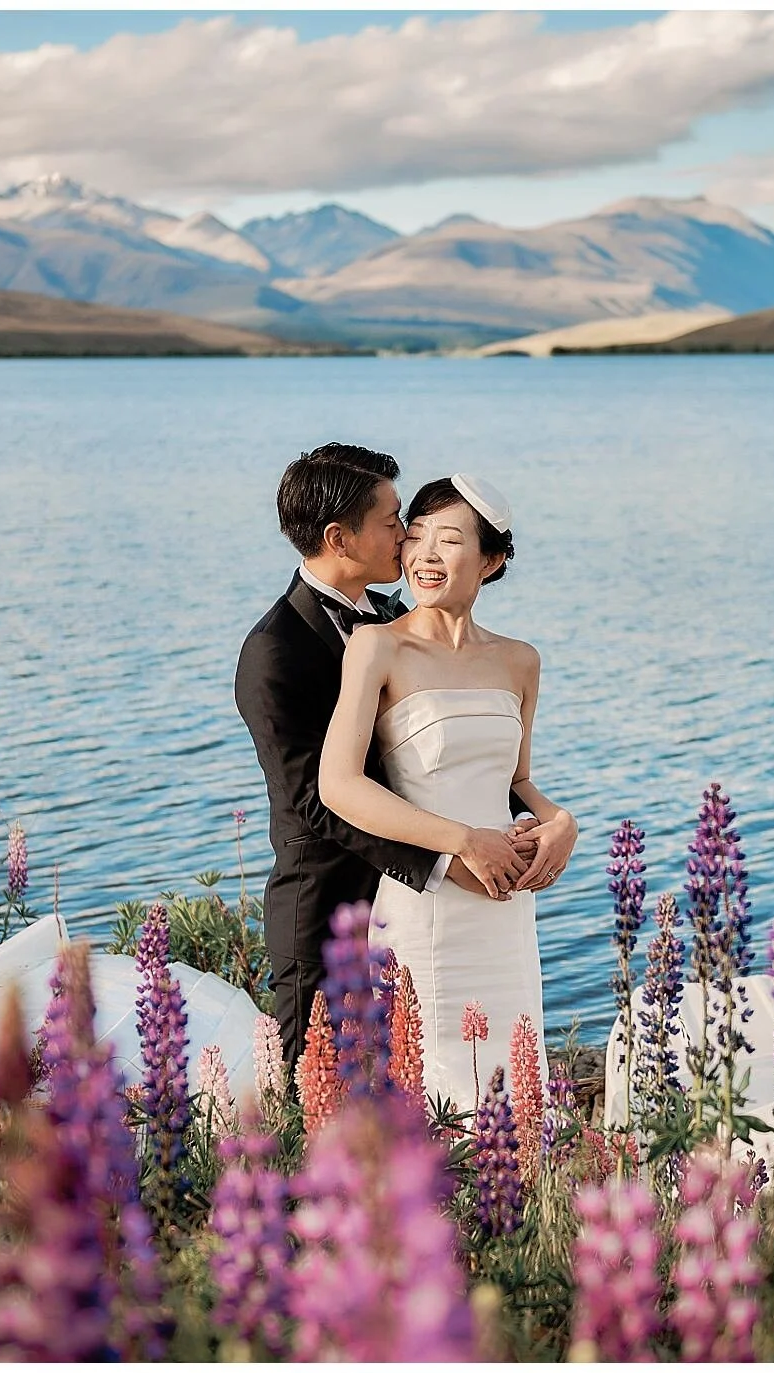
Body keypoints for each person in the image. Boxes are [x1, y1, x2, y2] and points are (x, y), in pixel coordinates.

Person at [235, 445, 545, 1071]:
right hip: (328, 906)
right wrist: (448, 858)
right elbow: (316, 799)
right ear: (339, 538)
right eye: (394, 521)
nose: (407, 538)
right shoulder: (275, 650)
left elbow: (457, 761)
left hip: (455, 889)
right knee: (316, 1093)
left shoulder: (396, 618)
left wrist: (551, 822)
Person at [320, 472, 576, 1111]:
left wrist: (559, 822)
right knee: (428, 1079)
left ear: (491, 561)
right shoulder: (377, 646)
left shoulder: (520, 660)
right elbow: (338, 784)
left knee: (515, 1081)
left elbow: (516, 780)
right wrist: (462, 842)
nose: (426, 555)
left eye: (451, 540)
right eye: (416, 536)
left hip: (505, 899)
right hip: (426, 900)